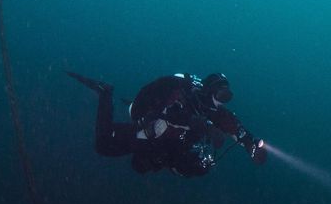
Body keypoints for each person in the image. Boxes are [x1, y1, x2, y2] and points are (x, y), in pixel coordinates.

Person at [67, 71, 267, 177]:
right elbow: (164, 106)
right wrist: (195, 122)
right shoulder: (183, 93)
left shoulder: (215, 113)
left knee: (157, 165)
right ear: (208, 90)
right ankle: (105, 93)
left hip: (164, 147)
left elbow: (235, 128)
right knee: (103, 144)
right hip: (148, 131)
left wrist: (251, 145)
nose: (222, 100)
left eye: (227, 96)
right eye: (221, 94)